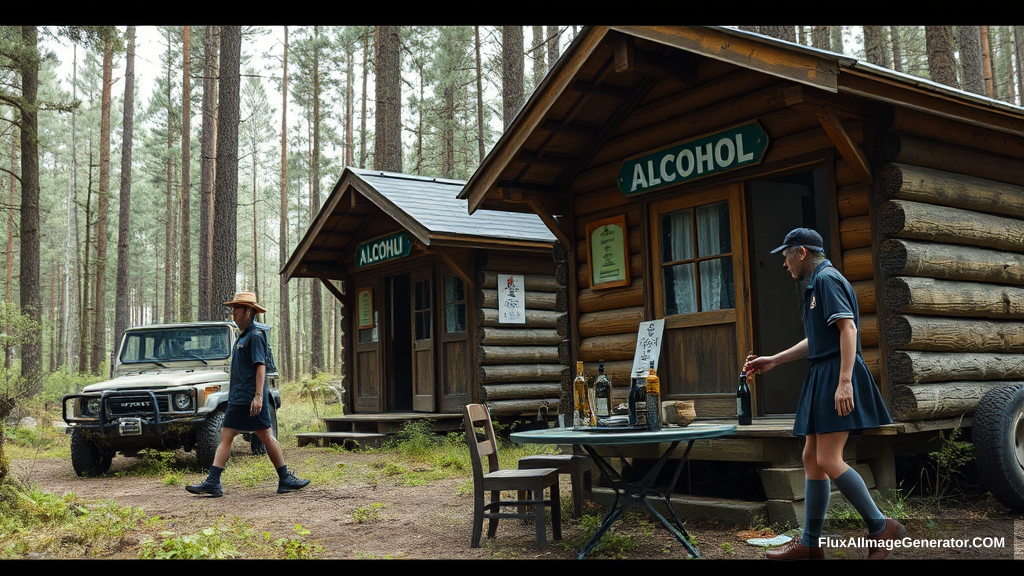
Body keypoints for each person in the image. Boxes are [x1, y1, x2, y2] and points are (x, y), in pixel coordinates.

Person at [743, 228, 905, 560]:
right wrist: (775, 359)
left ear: (801, 253)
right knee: (810, 458)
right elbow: (818, 340)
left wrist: (844, 381)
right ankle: (809, 544)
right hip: (823, 372)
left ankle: (881, 527)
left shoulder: (827, 280)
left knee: (828, 458)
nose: (783, 263)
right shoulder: (815, 285)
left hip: (835, 374)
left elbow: (849, 329)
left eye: (786, 255)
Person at [187, 290, 309, 497]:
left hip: (251, 400)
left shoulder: (255, 336)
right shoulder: (242, 337)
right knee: (228, 437)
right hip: (238, 399)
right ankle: (213, 482)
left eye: (236, 310)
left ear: (248, 312)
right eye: (233, 309)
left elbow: (260, 367)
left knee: (266, 437)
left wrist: (259, 397)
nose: (233, 313)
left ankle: (285, 478)